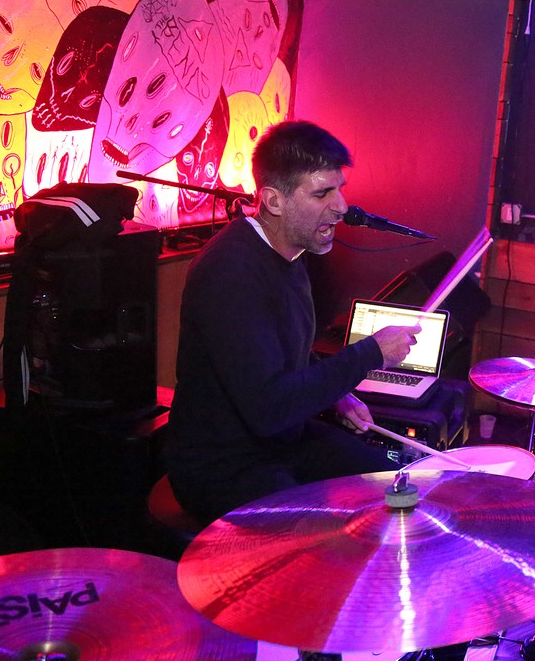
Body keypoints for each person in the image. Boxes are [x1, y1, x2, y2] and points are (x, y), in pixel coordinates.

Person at [164, 120, 418, 524]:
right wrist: (370, 353)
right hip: (223, 464)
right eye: (321, 193)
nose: (342, 206)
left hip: (280, 441)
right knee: (329, 533)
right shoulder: (230, 273)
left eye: (340, 189)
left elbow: (287, 354)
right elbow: (269, 407)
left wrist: (336, 395)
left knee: (395, 485)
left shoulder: (290, 253)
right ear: (274, 201)